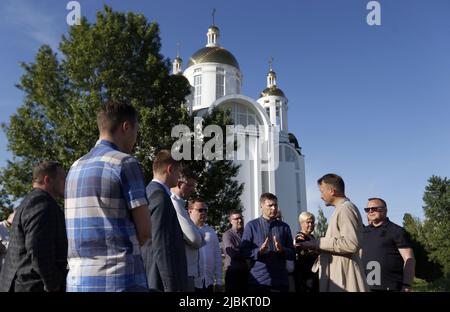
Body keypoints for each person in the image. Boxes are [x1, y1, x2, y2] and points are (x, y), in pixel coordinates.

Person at [65, 100, 151, 292]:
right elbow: (144, 231)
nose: (136, 138)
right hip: (119, 280)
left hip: (78, 282)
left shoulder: (74, 168)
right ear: (126, 127)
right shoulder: (125, 163)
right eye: (136, 131)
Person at [0, 161, 67, 292]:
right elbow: (38, 250)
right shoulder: (42, 204)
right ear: (47, 180)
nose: (66, 182)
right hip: (32, 286)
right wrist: (53, 285)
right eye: (62, 178)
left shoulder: (29, 201)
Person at [298, 174, 367, 292]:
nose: (321, 196)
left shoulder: (345, 208)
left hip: (344, 277)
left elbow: (351, 243)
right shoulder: (342, 208)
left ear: (331, 191)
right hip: (339, 273)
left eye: (322, 191)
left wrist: (318, 243)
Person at [145, 149, 188, 292]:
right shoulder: (159, 196)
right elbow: (161, 245)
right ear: (170, 169)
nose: (179, 177)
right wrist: (170, 286)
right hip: (160, 282)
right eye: (179, 172)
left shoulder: (151, 192)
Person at [240, 193, 295, 293]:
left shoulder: (284, 227)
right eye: (270, 205)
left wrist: (283, 250)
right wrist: (259, 251)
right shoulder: (252, 226)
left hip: (281, 281)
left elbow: (292, 253)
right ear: (261, 206)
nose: (274, 208)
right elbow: (244, 251)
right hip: (259, 281)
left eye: (275, 205)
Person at [361, 197, 415, 292]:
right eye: (367, 209)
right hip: (366, 287)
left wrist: (407, 286)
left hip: (391, 287)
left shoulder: (397, 231)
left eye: (374, 208)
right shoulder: (363, 232)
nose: (370, 211)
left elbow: (409, 260)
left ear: (385, 210)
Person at [170, 166, 205, 292]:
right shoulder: (174, 204)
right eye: (190, 186)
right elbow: (195, 239)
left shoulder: (180, 204)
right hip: (183, 271)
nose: (193, 190)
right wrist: (200, 236)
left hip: (189, 271)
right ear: (180, 184)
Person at [188, 198, 222, 292]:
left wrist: (218, 281)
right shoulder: (184, 231)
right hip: (191, 283)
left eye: (205, 210)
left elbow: (217, 257)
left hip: (208, 283)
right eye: (200, 210)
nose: (203, 213)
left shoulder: (211, 232)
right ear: (190, 211)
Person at [222, 210, 248, 292]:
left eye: (241, 218)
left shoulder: (247, 233)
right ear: (231, 221)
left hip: (246, 272)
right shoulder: (227, 235)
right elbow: (233, 253)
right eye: (236, 219)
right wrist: (249, 253)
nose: (240, 220)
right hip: (233, 273)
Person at [293, 212, 319, 292]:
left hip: (313, 275)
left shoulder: (311, 237)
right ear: (301, 223)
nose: (311, 224)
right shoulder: (300, 238)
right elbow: (304, 255)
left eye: (312, 222)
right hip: (304, 277)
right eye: (308, 222)